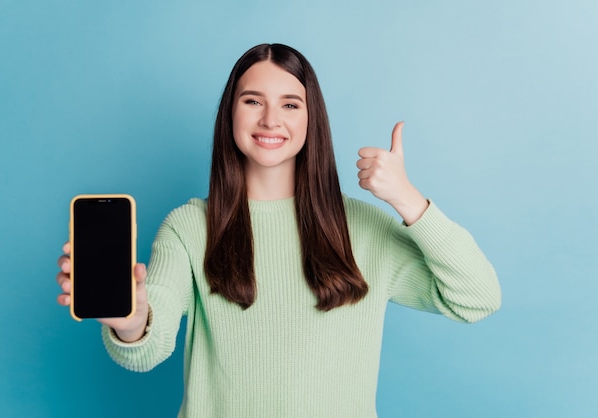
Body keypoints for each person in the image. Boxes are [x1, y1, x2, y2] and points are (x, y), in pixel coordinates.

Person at [56, 43, 501, 418]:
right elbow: (148, 350)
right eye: (253, 101)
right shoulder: (190, 226)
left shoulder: (362, 228)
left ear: (312, 119)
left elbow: (477, 298)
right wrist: (131, 321)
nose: (271, 119)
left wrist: (408, 199)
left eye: (290, 104)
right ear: (230, 114)